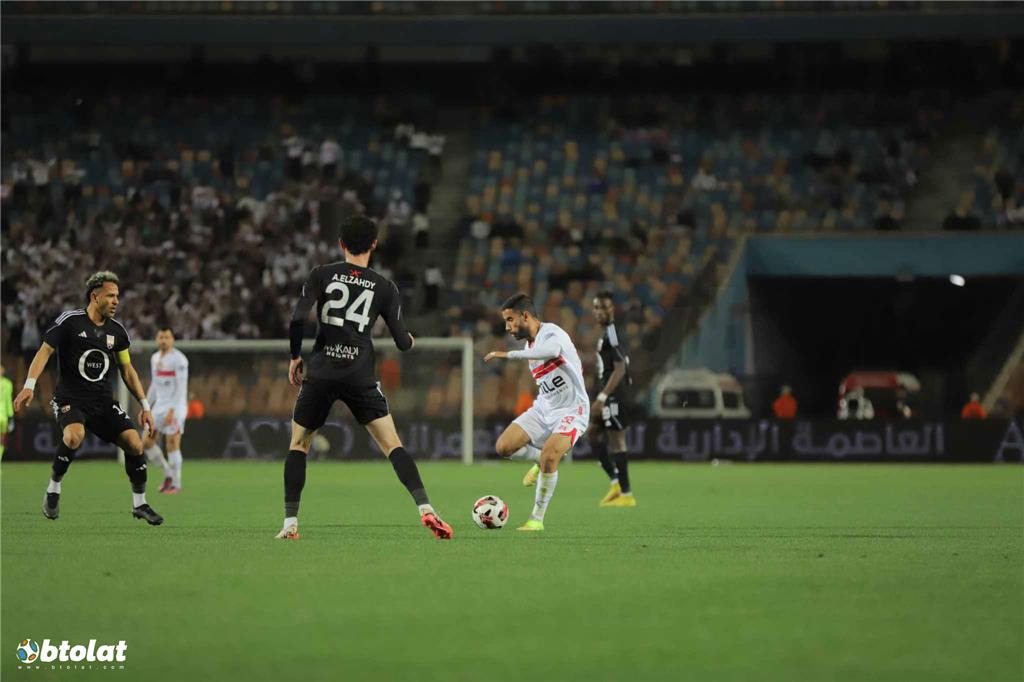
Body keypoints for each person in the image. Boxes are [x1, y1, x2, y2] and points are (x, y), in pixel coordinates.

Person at [277, 214, 452, 541]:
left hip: (322, 371)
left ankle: (290, 524)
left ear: (341, 243)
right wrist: (410, 340)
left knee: (299, 444)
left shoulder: (321, 274)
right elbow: (402, 343)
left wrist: (295, 356)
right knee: (392, 445)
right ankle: (425, 508)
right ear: (374, 244)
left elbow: (297, 317)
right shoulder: (385, 287)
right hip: (359, 374)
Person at [12, 271, 163, 525]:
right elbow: (45, 351)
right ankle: (53, 488)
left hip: (103, 402)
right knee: (74, 436)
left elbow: (127, 370)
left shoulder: (117, 332)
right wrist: (29, 385)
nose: (116, 301)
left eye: (117, 296)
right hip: (70, 398)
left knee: (135, 444)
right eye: (111, 296)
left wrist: (145, 406)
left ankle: (140, 504)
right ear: (95, 297)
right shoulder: (70, 322)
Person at [484, 293, 590, 532]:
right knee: (503, 447)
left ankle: (536, 519)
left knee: (550, 457)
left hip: (572, 410)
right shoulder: (528, 345)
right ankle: (537, 459)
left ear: (525, 316)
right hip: (544, 408)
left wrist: (508, 355)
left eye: (510, 320)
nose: (507, 327)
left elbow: (551, 351)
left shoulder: (552, 334)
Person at [590, 291, 636, 508]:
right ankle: (615, 483)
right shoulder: (608, 333)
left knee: (617, 440)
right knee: (592, 433)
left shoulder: (613, 334)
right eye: (596, 307)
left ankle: (627, 494)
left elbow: (620, 368)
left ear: (612, 309)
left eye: (604, 307)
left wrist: (602, 397)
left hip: (613, 395)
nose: (600, 311)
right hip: (608, 394)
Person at [142, 326, 189, 493]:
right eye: (161, 337)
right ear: (156, 339)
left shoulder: (180, 360)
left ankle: (176, 484)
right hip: (159, 406)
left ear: (172, 339)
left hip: (176, 406)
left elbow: (181, 387)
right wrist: (146, 406)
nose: (163, 340)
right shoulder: (154, 358)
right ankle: (168, 473)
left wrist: (172, 410)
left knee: (172, 443)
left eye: (167, 337)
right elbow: (154, 385)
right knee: (146, 443)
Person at [0, 364, 13, 458]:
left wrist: (11, 417)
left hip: (3, 416)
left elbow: (8, 400)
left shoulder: (8, 384)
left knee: (2, 439)